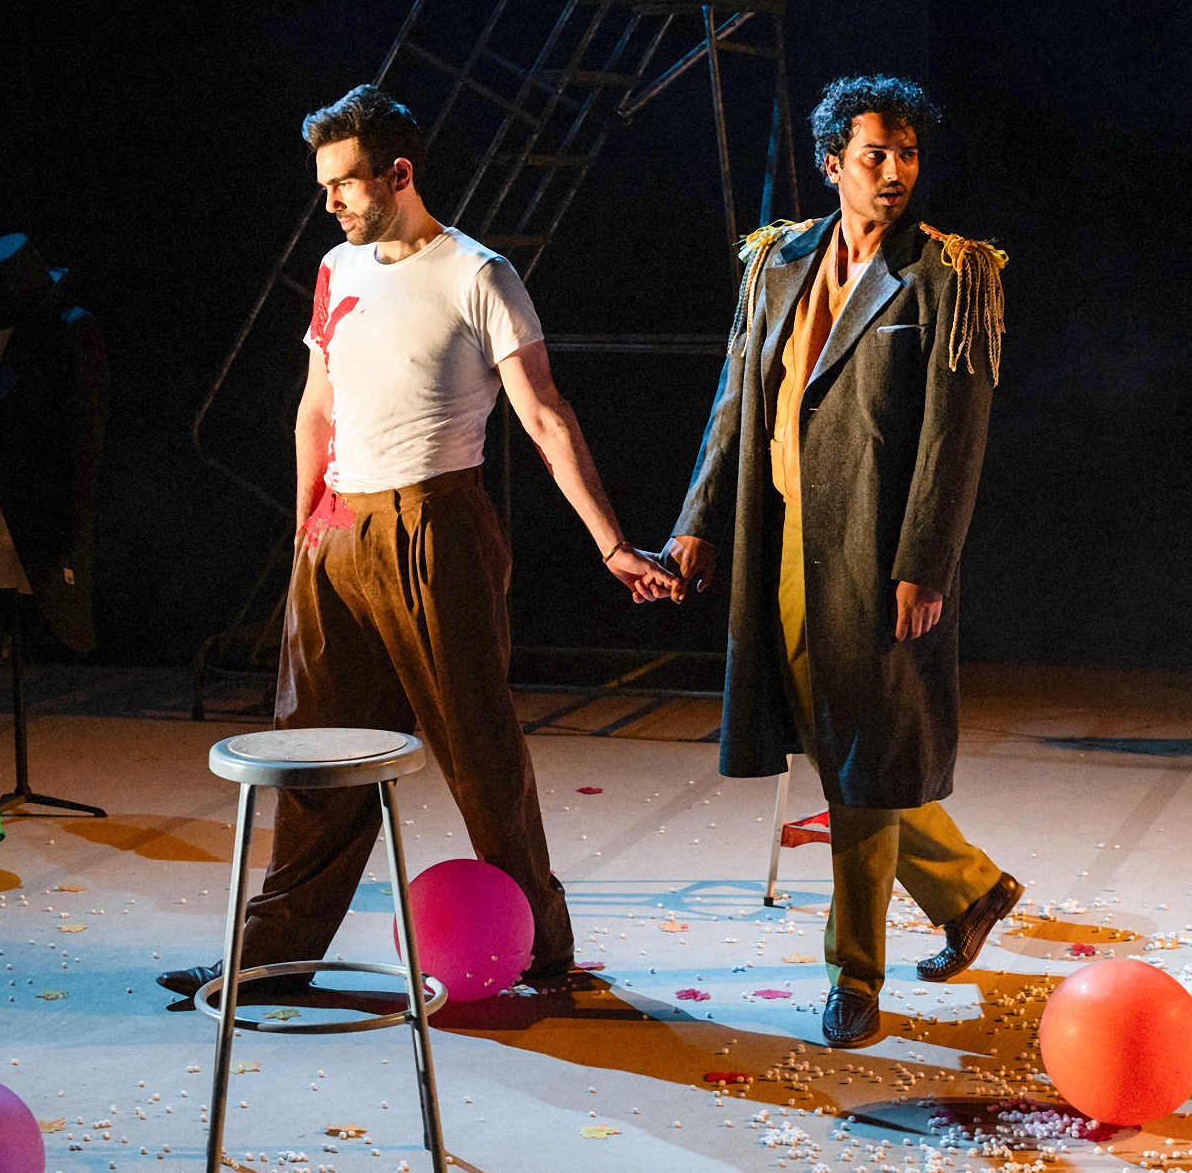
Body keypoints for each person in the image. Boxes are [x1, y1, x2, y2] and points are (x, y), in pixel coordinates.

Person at [159, 85, 675, 1000]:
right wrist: (302, 540)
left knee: (480, 750)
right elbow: (315, 409)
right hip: (338, 532)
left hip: (436, 525)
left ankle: (541, 950)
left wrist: (611, 544)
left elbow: (547, 417)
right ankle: (273, 957)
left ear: (400, 173)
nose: (331, 201)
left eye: (347, 183)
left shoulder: (479, 275)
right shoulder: (335, 269)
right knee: (314, 754)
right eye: (324, 185)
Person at [662, 75, 1021, 1048]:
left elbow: (956, 437)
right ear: (830, 163)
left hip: (878, 550)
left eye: (907, 154)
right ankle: (969, 887)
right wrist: (695, 520)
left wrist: (923, 563)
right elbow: (735, 401)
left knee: (860, 750)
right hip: (781, 540)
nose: (895, 171)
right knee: (839, 742)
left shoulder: (948, 273)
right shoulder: (774, 262)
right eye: (875, 154)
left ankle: (853, 977)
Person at [0, 233, 106, 654]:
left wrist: (75, 509)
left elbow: (84, 428)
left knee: (48, 608)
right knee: (3, 600)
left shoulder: (72, 331)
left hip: (44, 504)